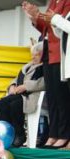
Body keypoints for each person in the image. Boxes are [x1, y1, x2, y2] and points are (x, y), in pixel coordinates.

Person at [23, 0, 70, 148]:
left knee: (62, 97)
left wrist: (42, 16)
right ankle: (53, 133)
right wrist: (35, 17)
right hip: (47, 53)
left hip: (60, 54)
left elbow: (60, 23)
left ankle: (64, 134)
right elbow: (46, 27)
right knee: (52, 97)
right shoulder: (52, 3)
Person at [0, 42, 45, 147]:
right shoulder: (27, 67)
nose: (33, 57)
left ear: (43, 55)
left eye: (36, 55)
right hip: (18, 95)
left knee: (15, 104)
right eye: (32, 54)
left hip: (31, 97)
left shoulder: (44, 68)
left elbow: (44, 83)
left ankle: (19, 134)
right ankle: (7, 133)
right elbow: (16, 79)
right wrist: (12, 85)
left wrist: (26, 86)